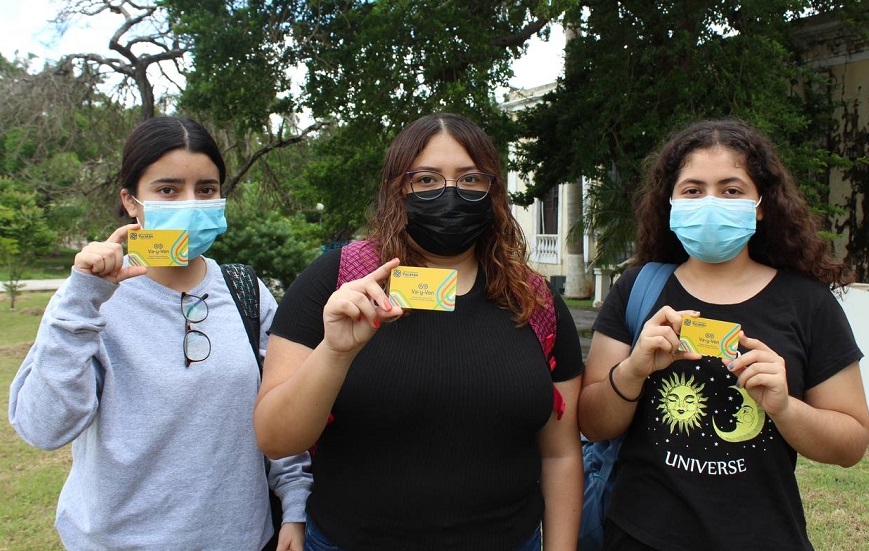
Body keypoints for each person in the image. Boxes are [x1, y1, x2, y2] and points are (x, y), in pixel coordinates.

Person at [254, 113, 584, 550]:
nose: (450, 193)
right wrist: (335, 352)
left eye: (470, 179)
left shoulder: (535, 300)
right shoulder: (334, 282)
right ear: (398, 189)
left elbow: (560, 455)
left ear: (493, 192)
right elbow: (276, 439)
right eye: (427, 180)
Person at [8, 117, 312, 551]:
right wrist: (83, 297)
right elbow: (44, 427)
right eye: (168, 190)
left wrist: (294, 504)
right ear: (131, 201)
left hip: (241, 538)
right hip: (117, 541)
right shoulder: (88, 301)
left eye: (205, 189)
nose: (190, 203)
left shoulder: (246, 291)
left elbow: (280, 408)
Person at [579, 119, 869, 550]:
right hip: (639, 535)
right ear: (671, 202)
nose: (711, 203)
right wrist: (632, 371)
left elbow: (851, 444)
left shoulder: (808, 303)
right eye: (693, 190)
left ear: (760, 204)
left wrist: (785, 407)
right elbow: (591, 421)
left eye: (731, 190)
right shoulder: (638, 289)